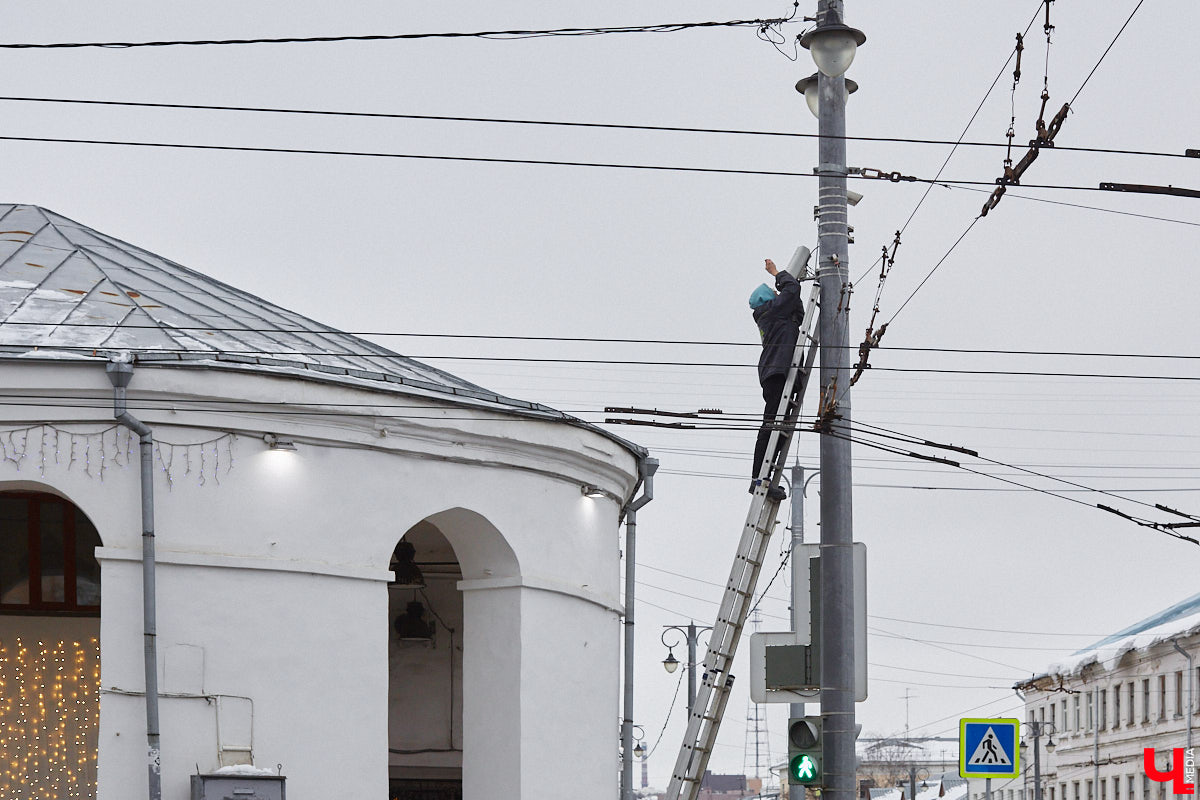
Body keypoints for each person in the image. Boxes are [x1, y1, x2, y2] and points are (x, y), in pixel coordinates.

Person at [748, 257, 804, 501]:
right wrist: (777, 273)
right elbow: (792, 290)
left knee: (777, 426)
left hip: (777, 370)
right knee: (771, 425)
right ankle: (759, 479)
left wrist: (786, 285)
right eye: (773, 291)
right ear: (768, 300)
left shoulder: (777, 315)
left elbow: (797, 309)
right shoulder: (771, 311)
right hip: (776, 371)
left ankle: (764, 477)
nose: (776, 292)